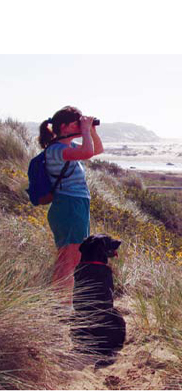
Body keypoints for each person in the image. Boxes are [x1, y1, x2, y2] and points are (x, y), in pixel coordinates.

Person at [38, 106, 104, 305]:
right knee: (68, 257)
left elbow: (96, 150)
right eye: (76, 123)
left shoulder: (65, 146)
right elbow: (87, 151)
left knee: (72, 257)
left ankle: (62, 302)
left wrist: (91, 130)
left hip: (74, 205)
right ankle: (61, 304)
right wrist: (85, 130)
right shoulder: (57, 149)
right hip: (68, 205)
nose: (80, 125)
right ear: (65, 127)